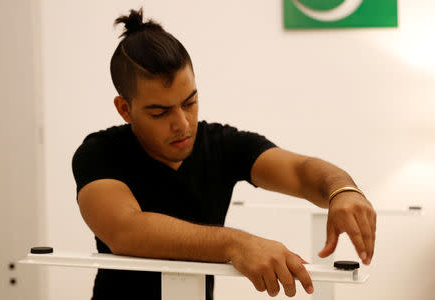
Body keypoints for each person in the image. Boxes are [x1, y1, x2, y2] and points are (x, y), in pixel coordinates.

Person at [72, 8, 376, 300]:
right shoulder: (100, 153)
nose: (182, 123)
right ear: (125, 109)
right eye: (160, 112)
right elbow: (126, 231)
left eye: (189, 102)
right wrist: (236, 244)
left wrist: (343, 191)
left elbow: (301, 171)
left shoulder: (222, 144)